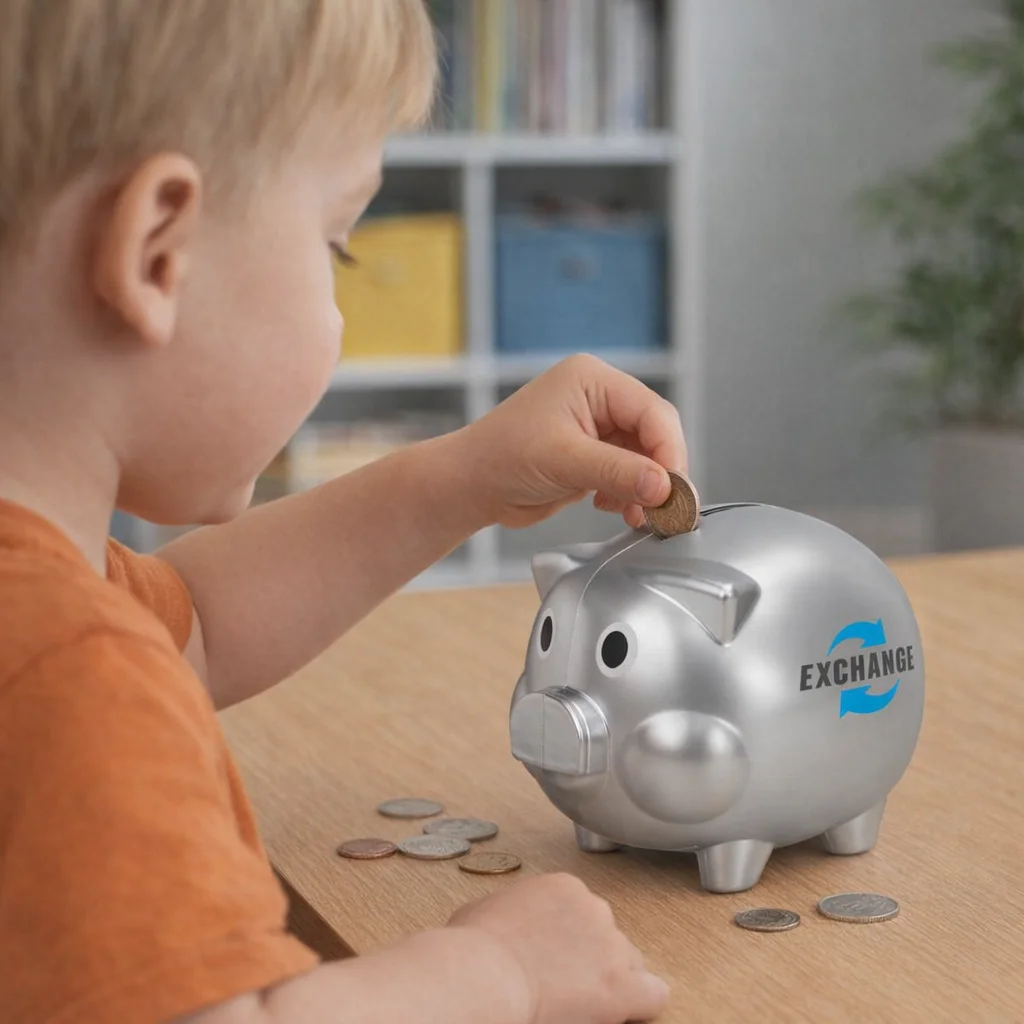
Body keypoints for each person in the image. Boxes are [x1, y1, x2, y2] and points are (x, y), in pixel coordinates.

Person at [0, 3, 684, 1022]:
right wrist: (499, 976)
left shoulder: (48, 601)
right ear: (155, 251)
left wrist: (467, 475)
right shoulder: (70, 675)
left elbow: (195, 622)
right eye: (338, 242)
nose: (338, 302)